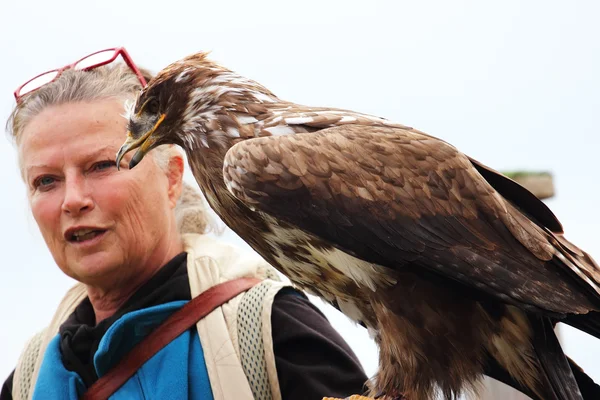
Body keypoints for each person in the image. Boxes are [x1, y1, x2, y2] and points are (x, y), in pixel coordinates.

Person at [1, 47, 368, 400]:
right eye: (46, 181)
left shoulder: (268, 332)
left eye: (102, 165)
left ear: (172, 178)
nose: (73, 200)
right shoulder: (28, 381)